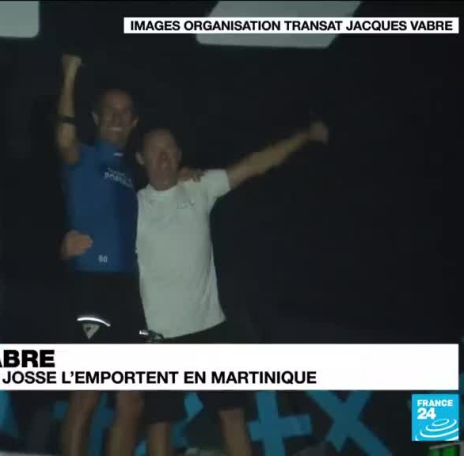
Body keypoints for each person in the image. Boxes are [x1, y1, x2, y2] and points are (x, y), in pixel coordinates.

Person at [62, 121, 329, 456]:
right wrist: (66, 246)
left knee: (232, 416)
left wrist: (303, 135)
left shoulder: (201, 187)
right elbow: (90, 230)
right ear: (141, 159)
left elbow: (255, 165)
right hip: (158, 337)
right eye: (155, 151)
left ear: (179, 155)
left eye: (169, 149)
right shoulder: (131, 206)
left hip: (210, 329)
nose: (163, 157)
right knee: (159, 425)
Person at [55, 54, 201, 456]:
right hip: (92, 286)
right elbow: (64, 139)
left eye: (125, 112)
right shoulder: (83, 156)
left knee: (132, 400)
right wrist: (69, 75)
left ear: (134, 121)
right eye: (110, 111)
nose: (117, 118)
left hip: (131, 294)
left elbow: (161, 189)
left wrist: (183, 174)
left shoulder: (136, 174)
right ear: (96, 117)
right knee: (86, 395)